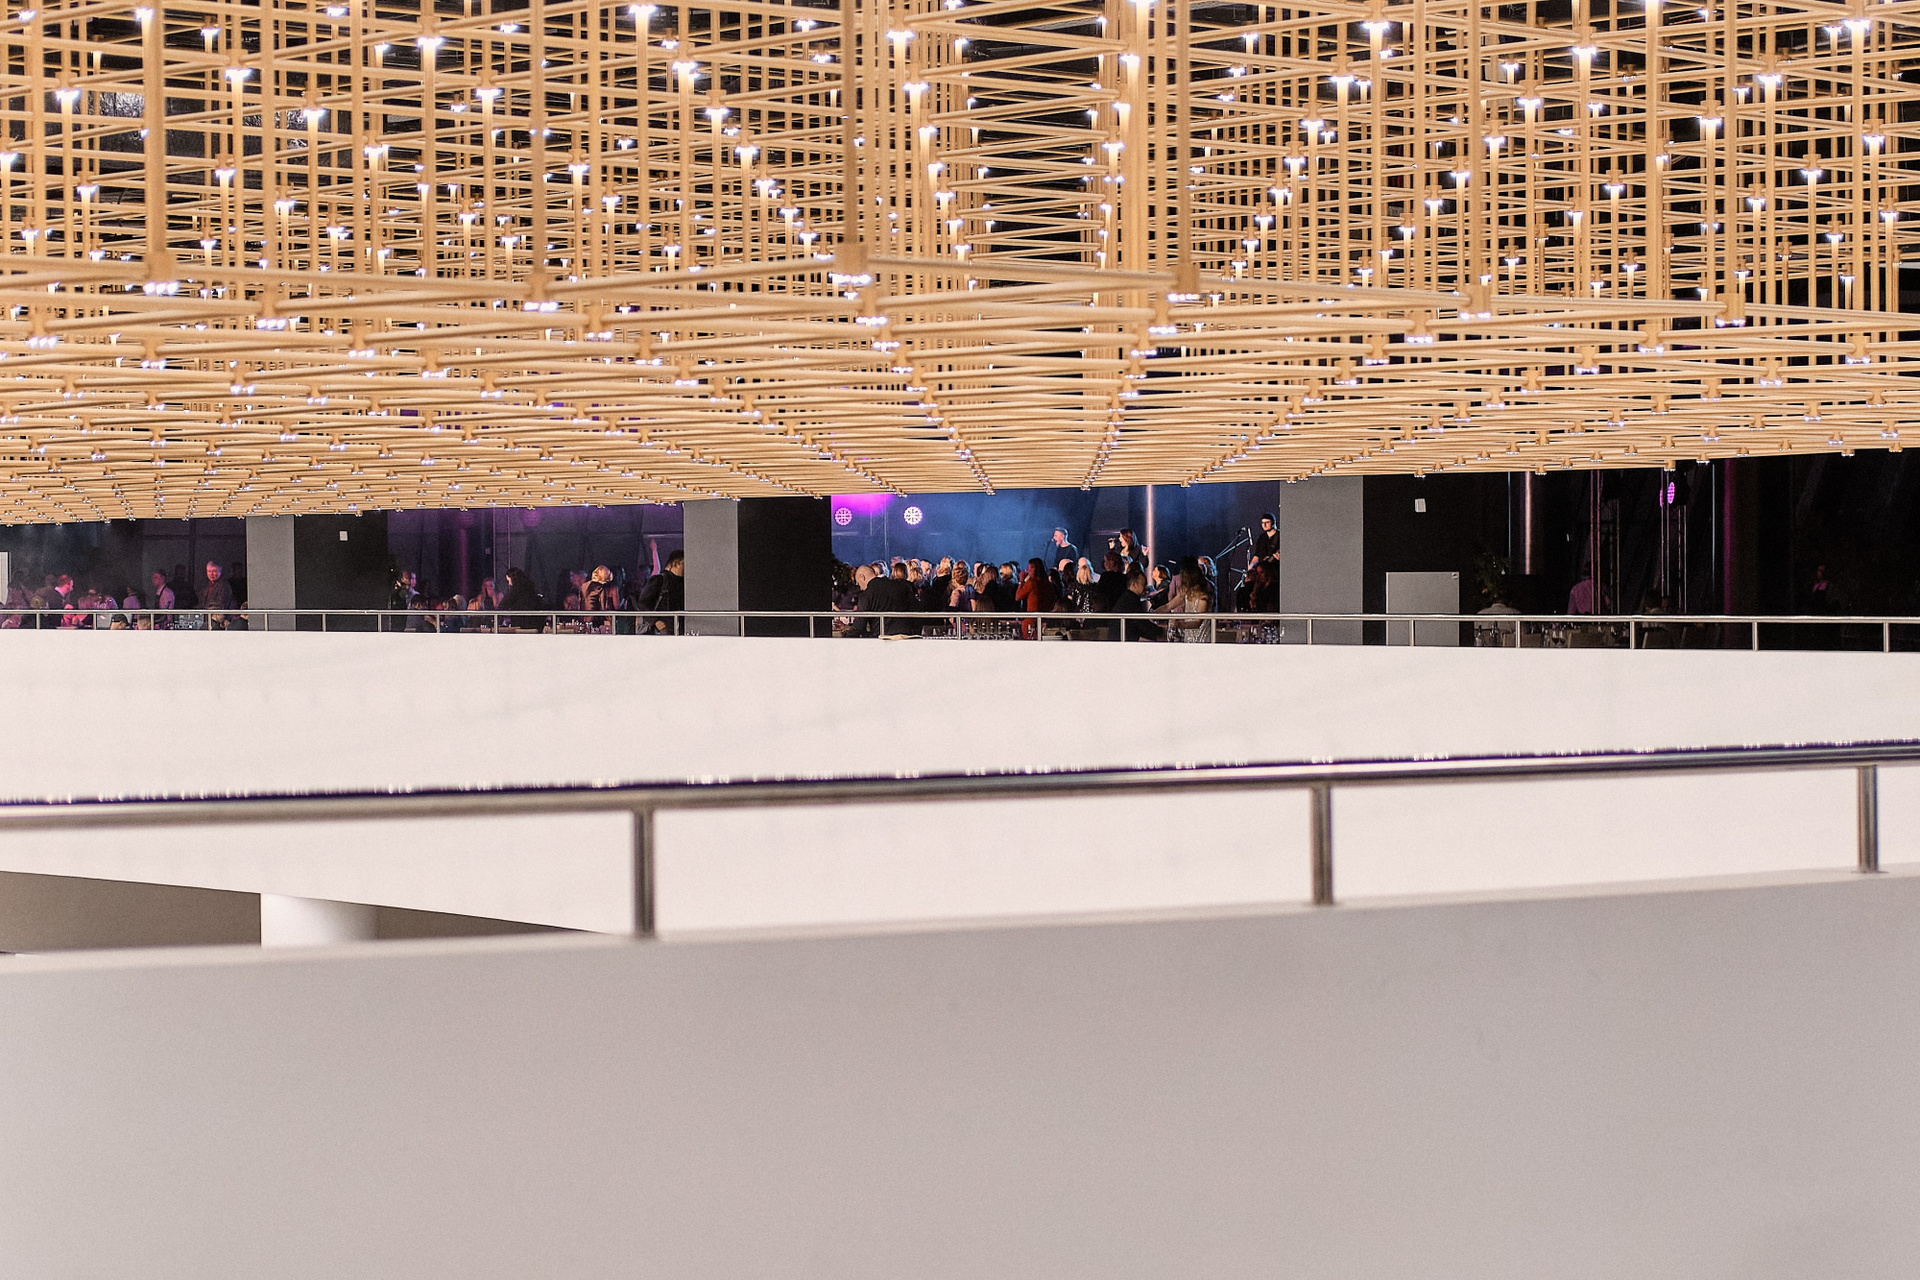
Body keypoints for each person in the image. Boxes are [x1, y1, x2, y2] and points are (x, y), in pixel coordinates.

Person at [636, 549, 685, 634]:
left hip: (679, 630)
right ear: (676, 563)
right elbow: (643, 603)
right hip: (661, 630)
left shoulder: (684, 583)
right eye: (684, 563)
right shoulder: (660, 580)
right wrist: (655, 621)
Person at [498, 565, 543, 630]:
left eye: (509, 581)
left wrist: (496, 618)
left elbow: (504, 604)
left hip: (521, 623)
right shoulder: (531, 588)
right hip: (535, 623)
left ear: (513, 578)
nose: (509, 584)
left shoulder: (516, 590)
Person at [201, 560, 235, 629]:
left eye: (214, 571)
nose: (211, 574)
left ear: (220, 572)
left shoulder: (224, 585)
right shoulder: (205, 585)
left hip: (218, 619)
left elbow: (222, 604)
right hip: (205, 617)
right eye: (209, 571)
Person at [584, 565, 618, 630]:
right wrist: (611, 621)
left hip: (584, 617)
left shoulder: (584, 586)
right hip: (596, 620)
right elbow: (604, 607)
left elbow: (581, 602)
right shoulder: (601, 588)